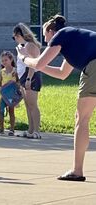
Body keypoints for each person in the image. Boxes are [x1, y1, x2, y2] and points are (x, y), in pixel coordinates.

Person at [17, 14, 96, 181]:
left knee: (82, 119)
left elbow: (38, 63)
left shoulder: (61, 35)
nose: (46, 42)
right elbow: (62, 74)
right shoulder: (74, 40)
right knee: (81, 118)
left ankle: (77, 170)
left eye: (46, 37)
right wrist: (39, 64)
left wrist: (24, 57)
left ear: (51, 31)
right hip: (92, 63)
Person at [13, 23, 42, 139]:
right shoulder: (21, 47)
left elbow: (33, 64)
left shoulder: (30, 46)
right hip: (23, 77)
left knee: (33, 105)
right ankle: (30, 130)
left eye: (15, 36)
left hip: (31, 76)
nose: (15, 39)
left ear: (21, 35)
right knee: (27, 105)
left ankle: (37, 131)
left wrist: (29, 78)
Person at [0, 51, 19, 136]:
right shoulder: (1, 72)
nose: (4, 62)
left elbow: (18, 82)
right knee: (0, 109)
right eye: (2, 61)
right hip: (3, 95)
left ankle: (12, 129)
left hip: (11, 95)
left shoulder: (15, 71)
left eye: (6, 60)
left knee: (11, 111)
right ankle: (1, 128)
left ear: (11, 59)